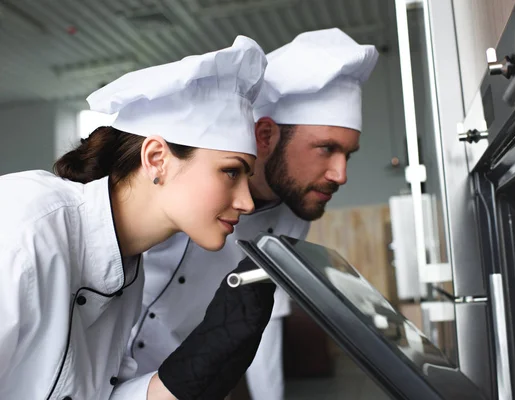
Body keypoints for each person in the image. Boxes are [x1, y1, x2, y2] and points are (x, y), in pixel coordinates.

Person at [0, 36, 272, 400]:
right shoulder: (28, 221)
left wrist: (196, 367)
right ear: (157, 158)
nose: (246, 202)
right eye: (230, 172)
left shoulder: (129, 272)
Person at [130, 27, 379, 400]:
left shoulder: (295, 215)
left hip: (173, 384)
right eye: (326, 148)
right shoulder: (182, 183)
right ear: (265, 136)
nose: (341, 174)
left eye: (348, 154)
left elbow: (260, 321)